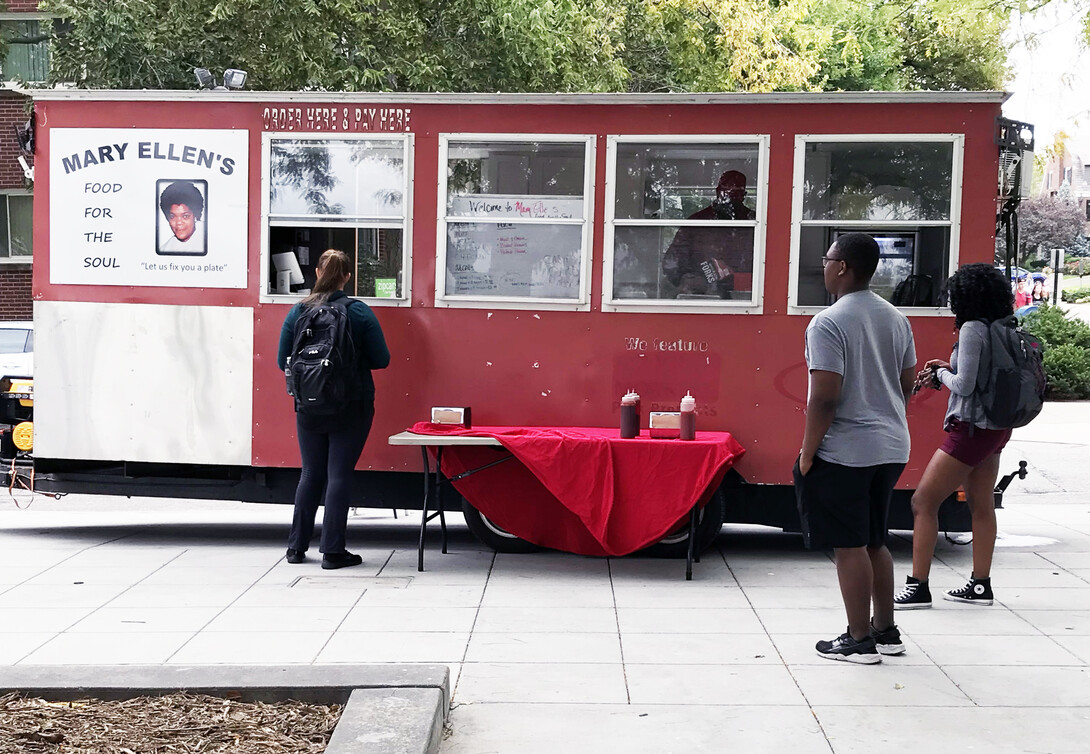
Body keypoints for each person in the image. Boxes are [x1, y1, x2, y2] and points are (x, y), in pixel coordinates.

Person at [794, 232, 917, 664]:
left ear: (842, 267)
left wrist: (808, 453)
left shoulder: (827, 322)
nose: (823, 266)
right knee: (874, 540)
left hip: (847, 449)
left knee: (848, 546)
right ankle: (886, 631)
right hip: (892, 445)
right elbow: (906, 385)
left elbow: (824, 396)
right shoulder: (896, 318)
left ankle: (858, 639)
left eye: (827, 259)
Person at [895, 263, 1014, 609]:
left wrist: (940, 373)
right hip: (996, 426)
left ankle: (918, 586)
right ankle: (980, 586)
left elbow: (965, 385)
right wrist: (949, 369)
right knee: (982, 505)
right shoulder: (1001, 326)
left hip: (971, 428)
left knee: (923, 501)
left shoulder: (973, 329)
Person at [277, 249, 390, 569]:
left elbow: (281, 361)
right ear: (347, 277)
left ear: (317, 272)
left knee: (311, 473)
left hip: (309, 406)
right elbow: (382, 360)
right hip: (352, 404)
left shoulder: (297, 311)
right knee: (338, 474)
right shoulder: (359, 311)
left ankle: (296, 548)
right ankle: (333, 551)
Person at [662, 170, 755, 298]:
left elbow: (768, 265)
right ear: (717, 191)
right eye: (726, 191)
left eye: (736, 193)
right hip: (702, 296)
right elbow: (672, 263)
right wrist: (690, 280)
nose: (730, 198)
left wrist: (741, 279)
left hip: (747, 297)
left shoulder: (754, 222)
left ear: (743, 195)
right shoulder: (698, 222)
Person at [158, 181, 206, 253]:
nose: (179, 223)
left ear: (195, 215)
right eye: (172, 216)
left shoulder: (210, 236)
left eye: (185, 216)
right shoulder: (164, 249)